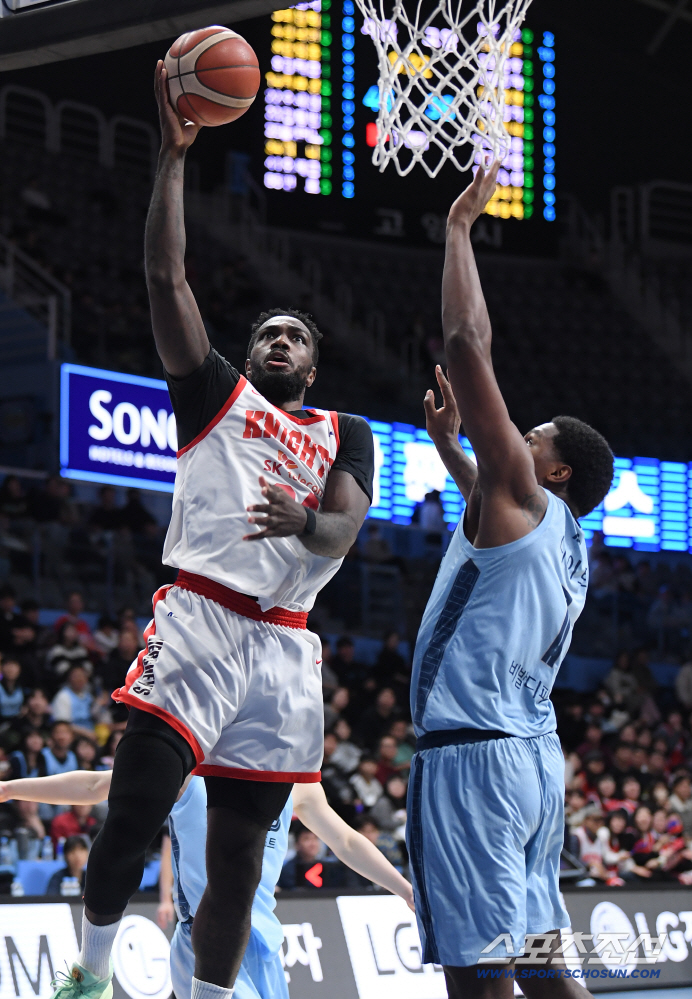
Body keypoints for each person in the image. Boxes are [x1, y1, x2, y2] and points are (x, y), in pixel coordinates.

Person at [53, 59, 375, 999]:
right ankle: (91, 971)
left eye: (295, 338)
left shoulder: (344, 431)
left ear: (312, 366)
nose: (278, 341)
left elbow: (344, 527)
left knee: (239, 865)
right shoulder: (214, 394)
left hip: (284, 651)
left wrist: (308, 520)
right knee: (135, 809)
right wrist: (172, 157)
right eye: (268, 331)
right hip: (199, 618)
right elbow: (165, 274)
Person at [407, 162, 615, 999]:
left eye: (531, 436)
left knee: (480, 977)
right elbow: (485, 505)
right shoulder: (566, 540)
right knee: (543, 962)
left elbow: (465, 344)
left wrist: (459, 227)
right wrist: (454, 449)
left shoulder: (526, 496)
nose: (518, 438)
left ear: (556, 470)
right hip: (531, 760)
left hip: (472, 761)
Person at [0, 766, 413, 999]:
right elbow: (97, 784)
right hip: (202, 942)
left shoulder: (294, 778)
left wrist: (407, 891)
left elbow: (345, 840)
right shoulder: (190, 772)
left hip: (263, 944)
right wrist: (9, 789)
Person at [50, 665, 98, 740]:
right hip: (73, 737)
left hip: (90, 733)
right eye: (76, 676)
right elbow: (63, 725)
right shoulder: (63, 696)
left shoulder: (88, 696)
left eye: (82, 676)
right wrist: (87, 733)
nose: (80, 679)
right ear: (69, 679)